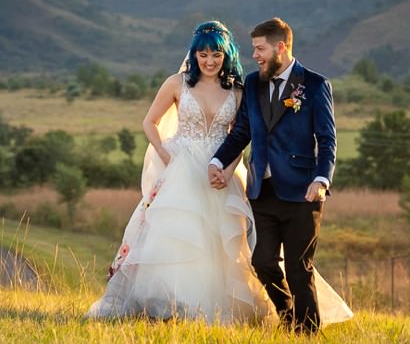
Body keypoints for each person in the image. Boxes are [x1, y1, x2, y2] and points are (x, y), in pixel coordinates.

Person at [87, 21, 275, 324]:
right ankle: (169, 305)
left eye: (216, 55)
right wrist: (165, 154)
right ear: (194, 54)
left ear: (226, 55)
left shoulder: (237, 91)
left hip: (220, 170)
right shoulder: (177, 83)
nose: (210, 61)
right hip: (181, 165)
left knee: (220, 238)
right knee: (177, 234)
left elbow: (239, 136)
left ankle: (214, 307)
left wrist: (227, 171)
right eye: (203, 54)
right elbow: (150, 122)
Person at [208, 17, 352, 333]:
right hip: (263, 190)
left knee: (300, 268)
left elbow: (327, 139)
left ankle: (308, 333)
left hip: (304, 191)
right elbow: (241, 132)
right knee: (262, 262)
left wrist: (322, 179)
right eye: (254, 49)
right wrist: (218, 161)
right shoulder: (253, 83)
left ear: (280, 47)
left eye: (260, 49)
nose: (255, 55)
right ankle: (287, 314)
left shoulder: (315, 85)